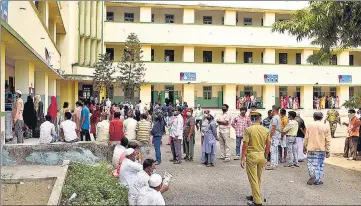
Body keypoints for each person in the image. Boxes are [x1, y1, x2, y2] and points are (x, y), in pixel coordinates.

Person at [241, 111, 270, 206]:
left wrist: (242, 158)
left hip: (251, 155)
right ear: (260, 119)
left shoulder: (248, 130)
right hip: (261, 155)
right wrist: (266, 156)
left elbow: (245, 145)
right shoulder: (266, 130)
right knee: (258, 177)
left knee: (253, 178)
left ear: (251, 119)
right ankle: (254, 195)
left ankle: (257, 201)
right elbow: (268, 144)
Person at [304, 112, 331, 185]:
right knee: (320, 164)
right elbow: (328, 139)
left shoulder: (310, 125)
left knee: (311, 163)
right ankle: (317, 180)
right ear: (322, 118)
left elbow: (306, 137)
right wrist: (328, 150)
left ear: (314, 117)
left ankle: (313, 174)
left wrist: (304, 147)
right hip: (321, 149)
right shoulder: (326, 126)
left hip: (311, 148)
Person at [266, 105, 281, 170]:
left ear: (273, 110)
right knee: (275, 149)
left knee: (272, 150)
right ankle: (275, 163)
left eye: (272, 110)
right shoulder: (278, 117)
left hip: (274, 135)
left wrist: (270, 136)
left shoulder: (275, 118)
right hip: (277, 135)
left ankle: (273, 164)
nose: (271, 111)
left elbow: (273, 128)